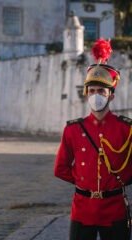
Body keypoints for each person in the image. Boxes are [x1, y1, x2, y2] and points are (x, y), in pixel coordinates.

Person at [54, 39, 132, 240]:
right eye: (93, 91)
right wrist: (84, 181)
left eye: (102, 91)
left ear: (111, 96)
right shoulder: (72, 129)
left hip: (114, 209)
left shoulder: (126, 128)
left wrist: (117, 182)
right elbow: (60, 169)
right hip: (82, 209)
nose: (96, 95)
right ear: (86, 93)